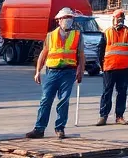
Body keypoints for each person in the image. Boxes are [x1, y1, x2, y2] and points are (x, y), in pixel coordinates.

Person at [26, 8, 85, 140]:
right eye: (65, 17)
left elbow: (81, 55)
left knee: (64, 100)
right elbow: (44, 53)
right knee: (45, 100)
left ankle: (60, 128)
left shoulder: (77, 35)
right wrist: (37, 71)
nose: (68, 20)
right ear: (59, 20)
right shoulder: (50, 35)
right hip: (51, 72)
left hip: (68, 72)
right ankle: (39, 129)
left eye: (70, 17)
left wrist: (80, 70)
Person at [95, 9, 128, 126]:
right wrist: (102, 65)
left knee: (122, 92)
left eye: (121, 19)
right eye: (117, 19)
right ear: (113, 20)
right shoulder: (107, 33)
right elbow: (100, 50)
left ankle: (119, 116)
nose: (119, 21)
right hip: (109, 68)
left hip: (123, 67)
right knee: (107, 92)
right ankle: (103, 116)